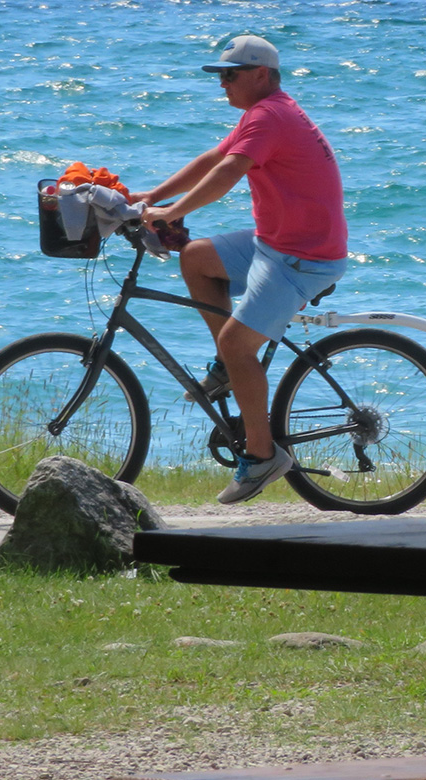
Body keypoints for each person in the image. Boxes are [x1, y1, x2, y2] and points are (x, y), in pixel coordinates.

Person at [131, 35, 348, 504]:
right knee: (196, 258)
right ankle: (232, 368)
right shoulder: (263, 114)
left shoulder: (270, 116)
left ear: (261, 75)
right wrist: (150, 197)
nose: (223, 84)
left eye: (230, 75)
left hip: (303, 257)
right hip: (274, 244)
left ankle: (262, 454)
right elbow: (212, 161)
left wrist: (171, 213)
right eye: (219, 76)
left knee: (235, 342)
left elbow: (227, 176)